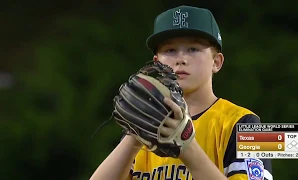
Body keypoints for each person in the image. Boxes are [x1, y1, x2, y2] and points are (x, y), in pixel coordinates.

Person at [90, 5, 273, 180]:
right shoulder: (144, 123)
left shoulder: (249, 124)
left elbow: (290, 144)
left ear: (216, 62)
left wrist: (186, 145)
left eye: (193, 49)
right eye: (170, 50)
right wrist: (133, 137)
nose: (181, 59)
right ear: (156, 62)